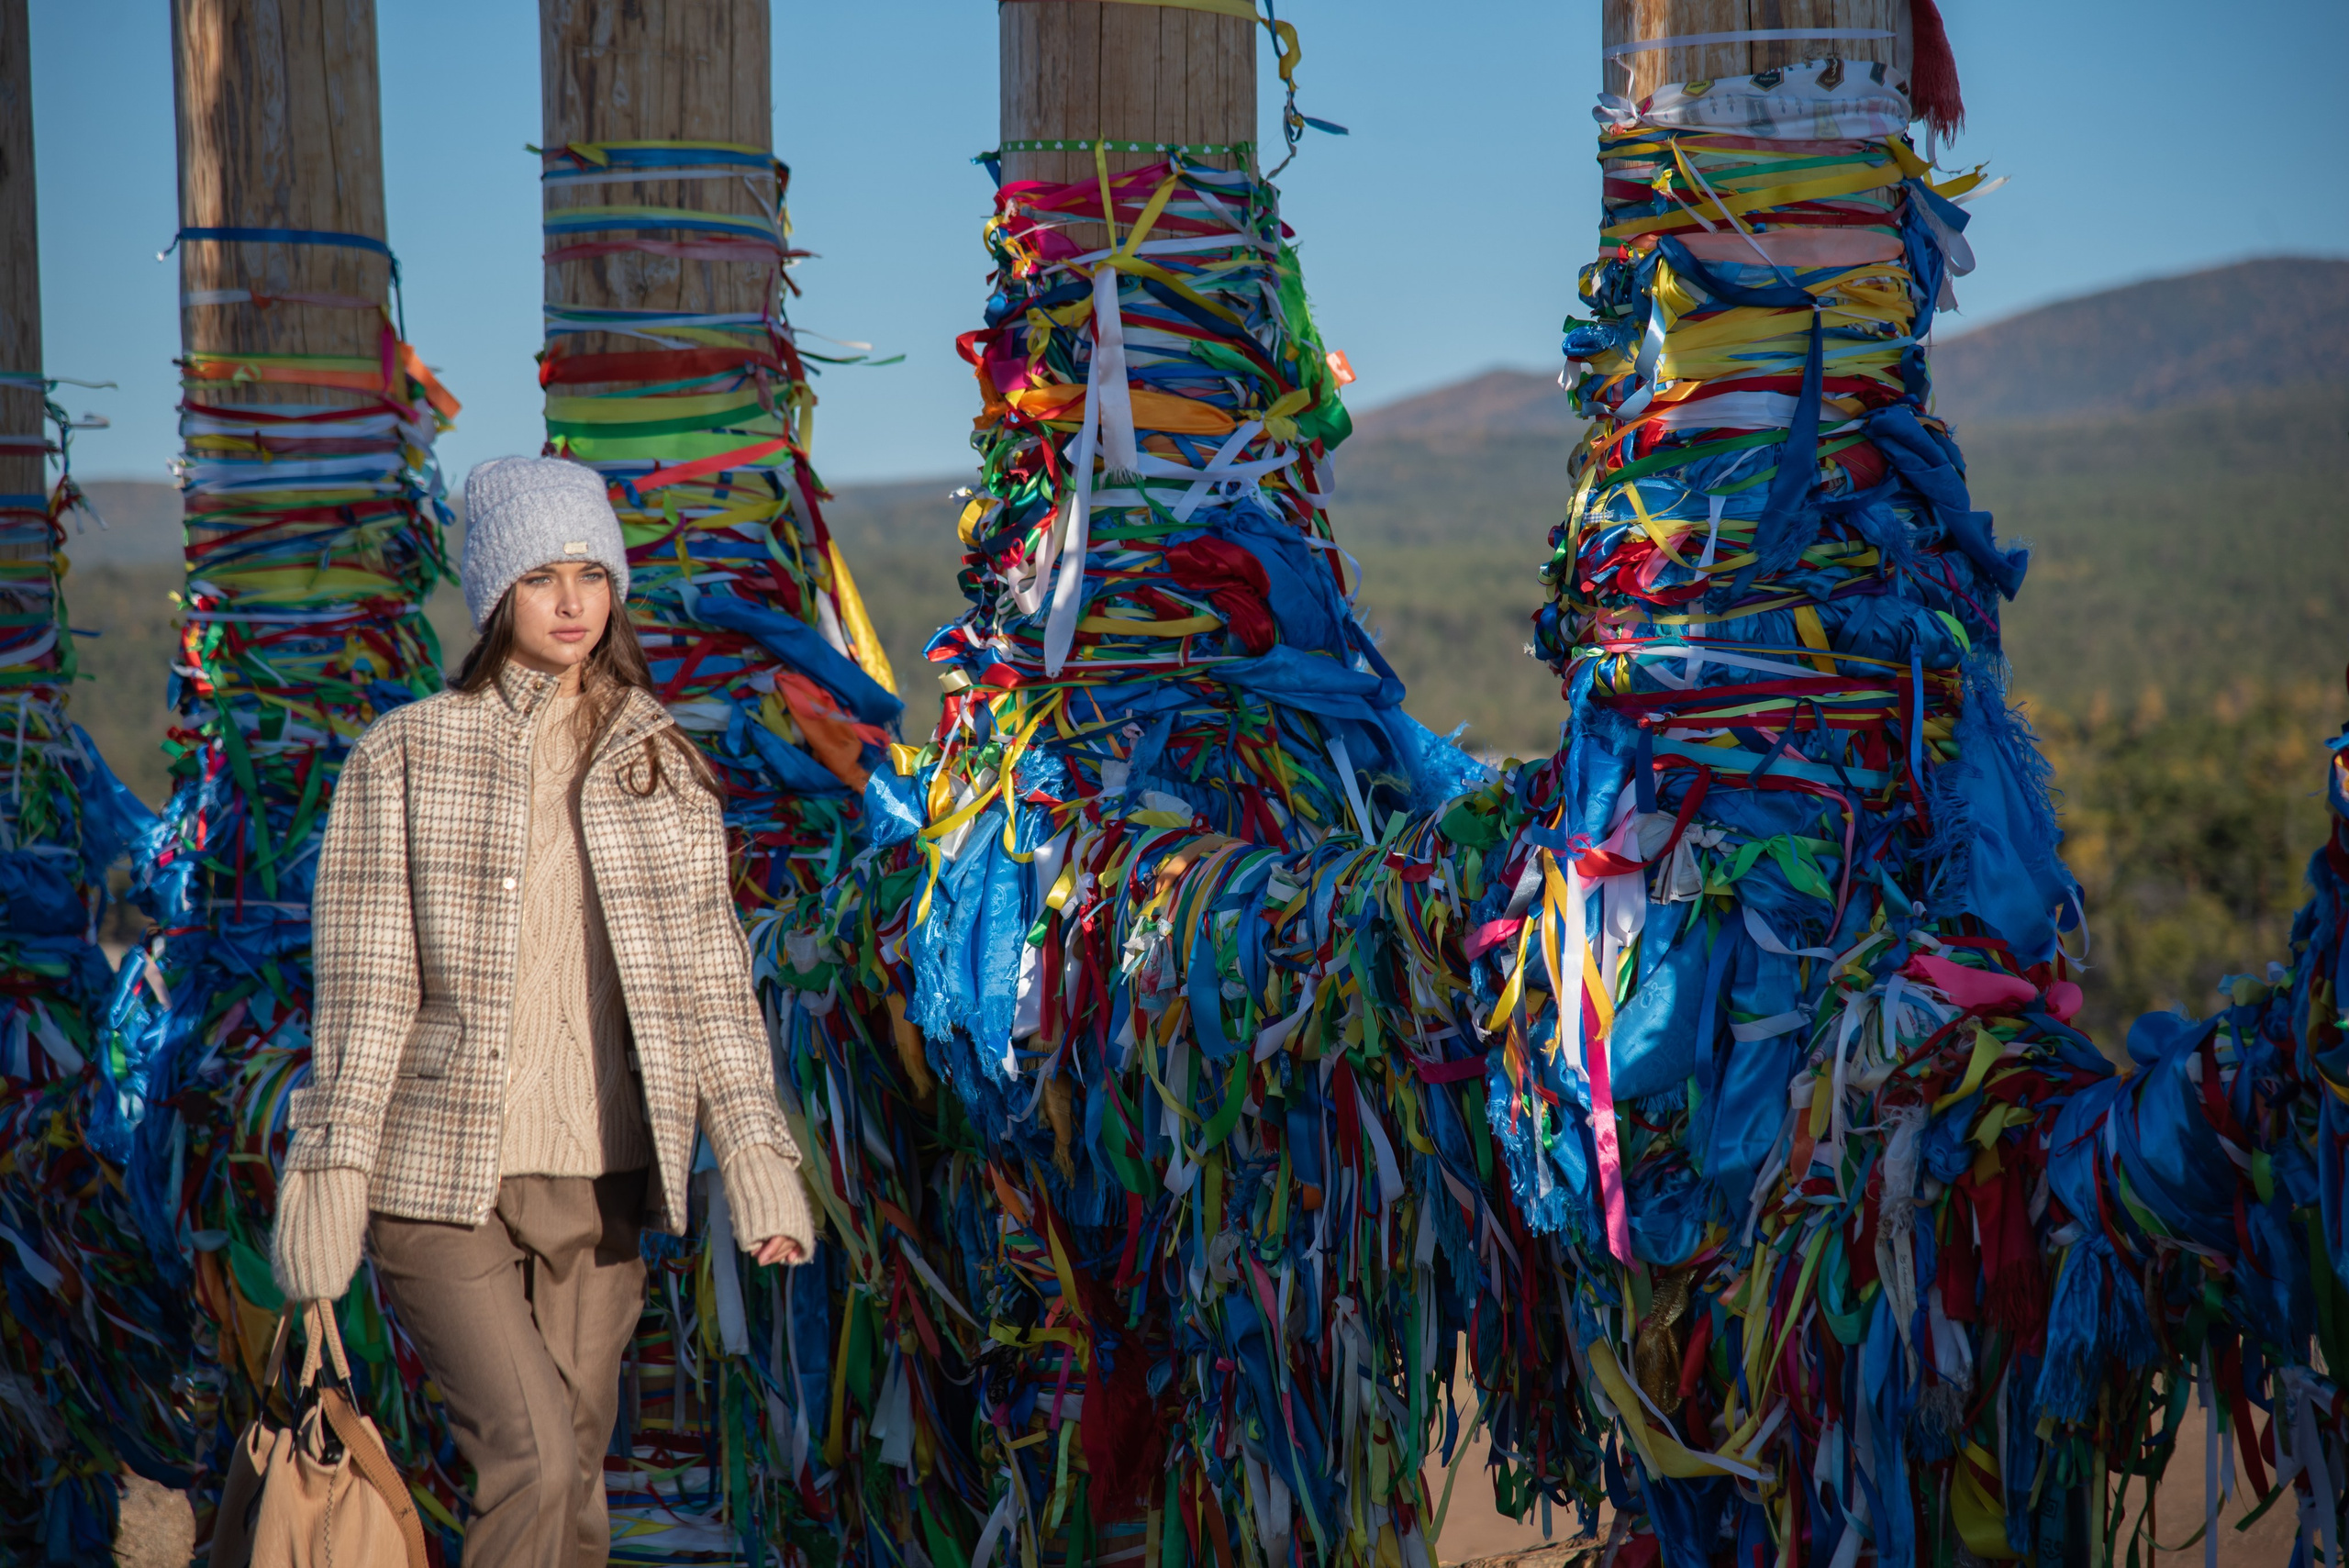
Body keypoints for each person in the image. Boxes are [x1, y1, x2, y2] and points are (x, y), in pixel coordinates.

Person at [269, 456, 815, 1568]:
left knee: (573, 1474)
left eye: (589, 574)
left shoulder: (661, 761)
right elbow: (366, 996)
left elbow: (712, 983)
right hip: (438, 1177)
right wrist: (326, 1177)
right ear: (492, 596)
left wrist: (756, 1159)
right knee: (533, 1455)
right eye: (538, 578)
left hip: (605, 1185)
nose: (570, 602)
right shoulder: (406, 755)